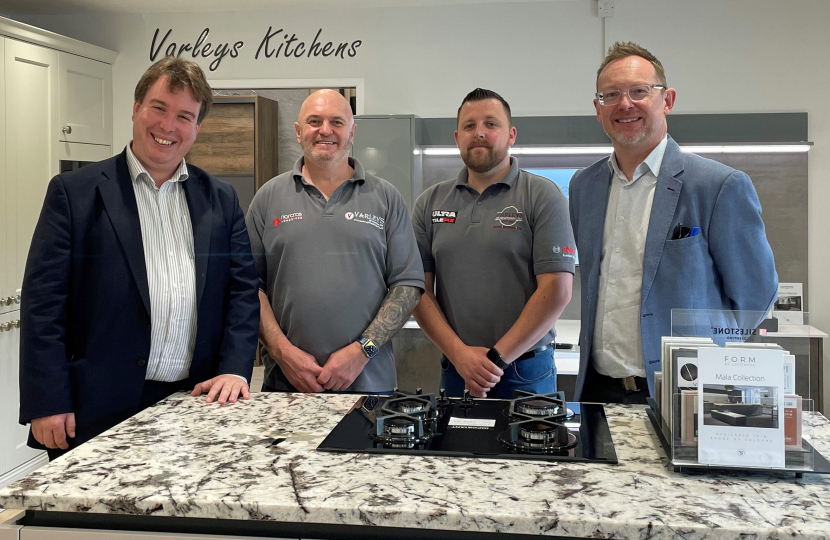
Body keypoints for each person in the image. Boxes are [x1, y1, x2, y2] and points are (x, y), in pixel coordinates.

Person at [19, 57, 260, 459]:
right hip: (96, 409)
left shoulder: (221, 199)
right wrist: (47, 399)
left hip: (197, 403)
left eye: (184, 116)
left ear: (197, 128)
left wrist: (235, 368)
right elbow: (43, 306)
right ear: (135, 109)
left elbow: (241, 293)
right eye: (159, 107)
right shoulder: (74, 194)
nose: (168, 126)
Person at [570, 42, 778, 405]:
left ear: (666, 101)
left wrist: (711, 357)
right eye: (611, 95)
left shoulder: (717, 185)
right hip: (598, 393)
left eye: (639, 91)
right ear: (598, 109)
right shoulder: (583, 186)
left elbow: (755, 295)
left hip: (685, 394)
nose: (625, 103)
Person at [246, 90, 423, 394]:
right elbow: (249, 286)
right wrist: (281, 352)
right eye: (314, 121)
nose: (325, 130)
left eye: (336, 122)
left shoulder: (385, 198)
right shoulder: (268, 198)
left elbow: (407, 284)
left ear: (352, 133)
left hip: (369, 386)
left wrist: (362, 351)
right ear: (299, 131)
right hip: (286, 386)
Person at [412, 88, 575, 399]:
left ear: (511, 134)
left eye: (491, 124)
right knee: (457, 448)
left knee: (530, 448)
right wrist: (460, 355)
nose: (480, 133)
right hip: (457, 369)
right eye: (470, 126)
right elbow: (418, 291)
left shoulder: (543, 196)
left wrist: (494, 361)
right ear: (457, 137)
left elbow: (557, 290)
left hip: (525, 371)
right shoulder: (430, 203)